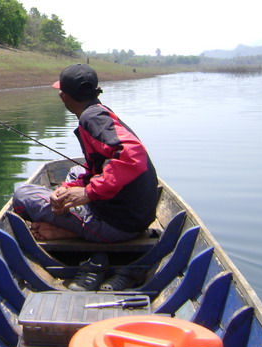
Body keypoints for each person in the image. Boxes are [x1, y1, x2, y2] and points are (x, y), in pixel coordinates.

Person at [13, 64, 159, 243]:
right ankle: (71, 217)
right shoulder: (101, 113)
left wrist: (88, 193)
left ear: (63, 96)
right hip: (135, 218)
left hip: (118, 225)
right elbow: (100, 168)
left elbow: (132, 154)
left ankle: (71, 231)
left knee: (22, 195)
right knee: (76, 171)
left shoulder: (91, 119)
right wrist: (66, 189)